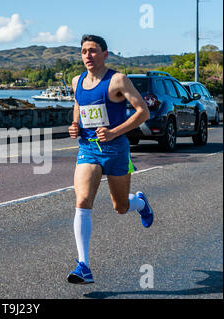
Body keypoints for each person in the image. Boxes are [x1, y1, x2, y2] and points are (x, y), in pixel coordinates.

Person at [67, 35, 154, 284]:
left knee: (120, 207)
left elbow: (143, 111)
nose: (88, 56)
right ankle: (83, 265)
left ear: (105, 54)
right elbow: (78, 104)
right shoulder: (77, 81)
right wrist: (75, 124)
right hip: (88, 149)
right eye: (84, 51)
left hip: (116, 150)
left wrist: (114, 132)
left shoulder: (118, 80)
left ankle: (139, 202)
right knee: (82, 200)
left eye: (93, 51)